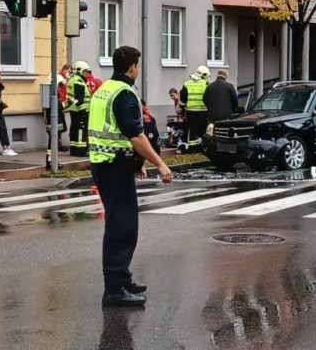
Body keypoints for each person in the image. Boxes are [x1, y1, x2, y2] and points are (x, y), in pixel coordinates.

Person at [88, 45, 172, 307]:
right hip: (112, 167)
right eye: (138, 64)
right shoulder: (124, 93)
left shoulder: (104, 89)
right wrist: (160, 163)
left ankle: (122, 278)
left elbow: (114, 133)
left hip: (108, 164)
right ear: (132, 66)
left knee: (120, 224)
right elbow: (135, 135)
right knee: (121, 227)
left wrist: (134, 163)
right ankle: (114, 288)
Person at [180, 66, 211, 147]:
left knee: (192, 129)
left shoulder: (187, 83)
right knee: (202, 129)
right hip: (203, 110)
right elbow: (209, 97)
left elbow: (183, 98)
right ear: (204, 75)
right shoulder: (206, 84)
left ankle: (192, 147)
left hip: (190, 111)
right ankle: (202, 146)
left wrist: (183, 111)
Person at [65, 60, 91, 156]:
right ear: (79, 71)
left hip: (73, 109)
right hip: (80, 110)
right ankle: (81, 151)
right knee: (81, 129)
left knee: (74, 129)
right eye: (84, 72)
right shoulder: (79, 81)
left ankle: (73, 149)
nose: (86, 74)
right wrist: (83, 110)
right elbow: (79, 98)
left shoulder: (72, 79)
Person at [43, 74, 67, 170]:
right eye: (59, 86)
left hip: (52, 124)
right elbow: (59, 107)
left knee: (52, 143)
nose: (60, 88)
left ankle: (51, 161)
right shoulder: (52, 96)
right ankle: (51, 162)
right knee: (53, 144)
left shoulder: (48, 95)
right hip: (55, 124)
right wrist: (69, 102)